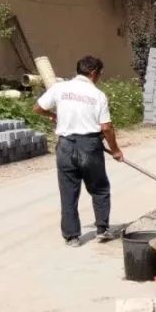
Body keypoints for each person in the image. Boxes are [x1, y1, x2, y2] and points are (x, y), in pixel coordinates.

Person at [33, 55, 124, 247]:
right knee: (99, 189)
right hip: (89, 146)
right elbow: (106, 127)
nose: (99, 77)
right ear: (92, 73)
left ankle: (72, 237)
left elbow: (38, 108)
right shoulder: (97, 95)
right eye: (99, 73)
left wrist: (53, 115)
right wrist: (115, 150)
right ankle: (102, 230)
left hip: (65, 146)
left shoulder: (60, 88)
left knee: (68, 192)